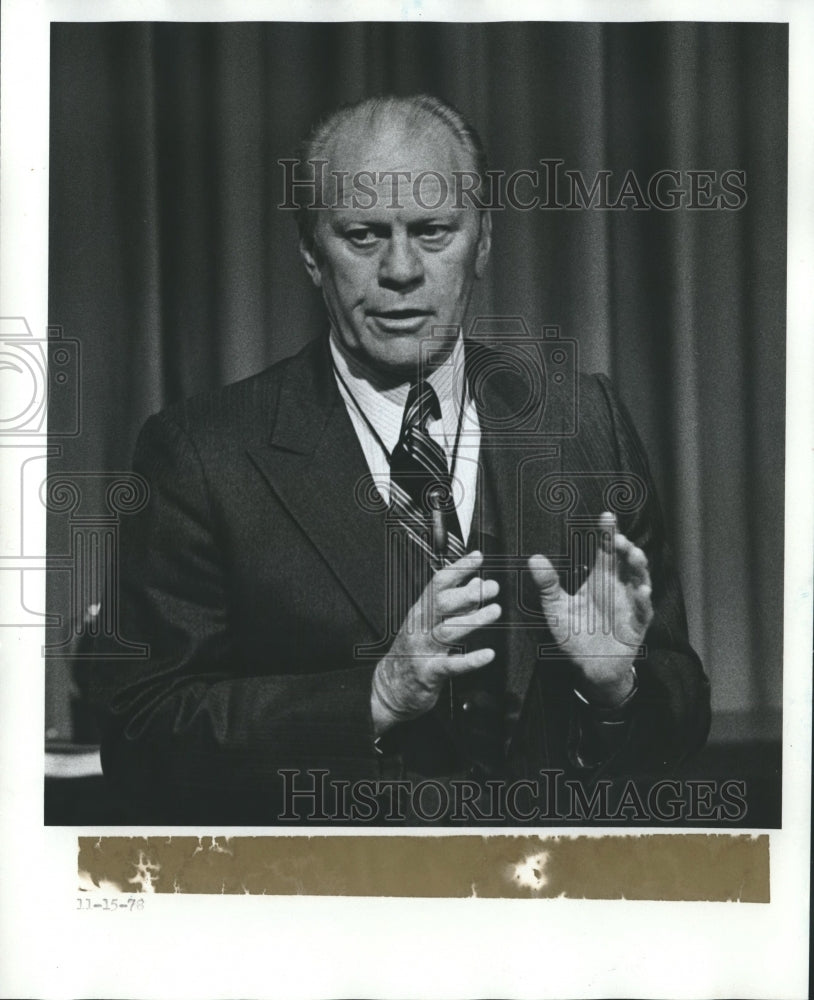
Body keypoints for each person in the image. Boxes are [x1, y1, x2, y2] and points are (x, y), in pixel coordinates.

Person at [93, 94, 710, 824]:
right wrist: (376, 698)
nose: (400, 269)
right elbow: (141, 740)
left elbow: (678, 712)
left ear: (482, 242)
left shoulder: (585, 421)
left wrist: (617, 689)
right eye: (361, 235)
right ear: (308, 249)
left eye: (433, 231)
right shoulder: (200, 452)